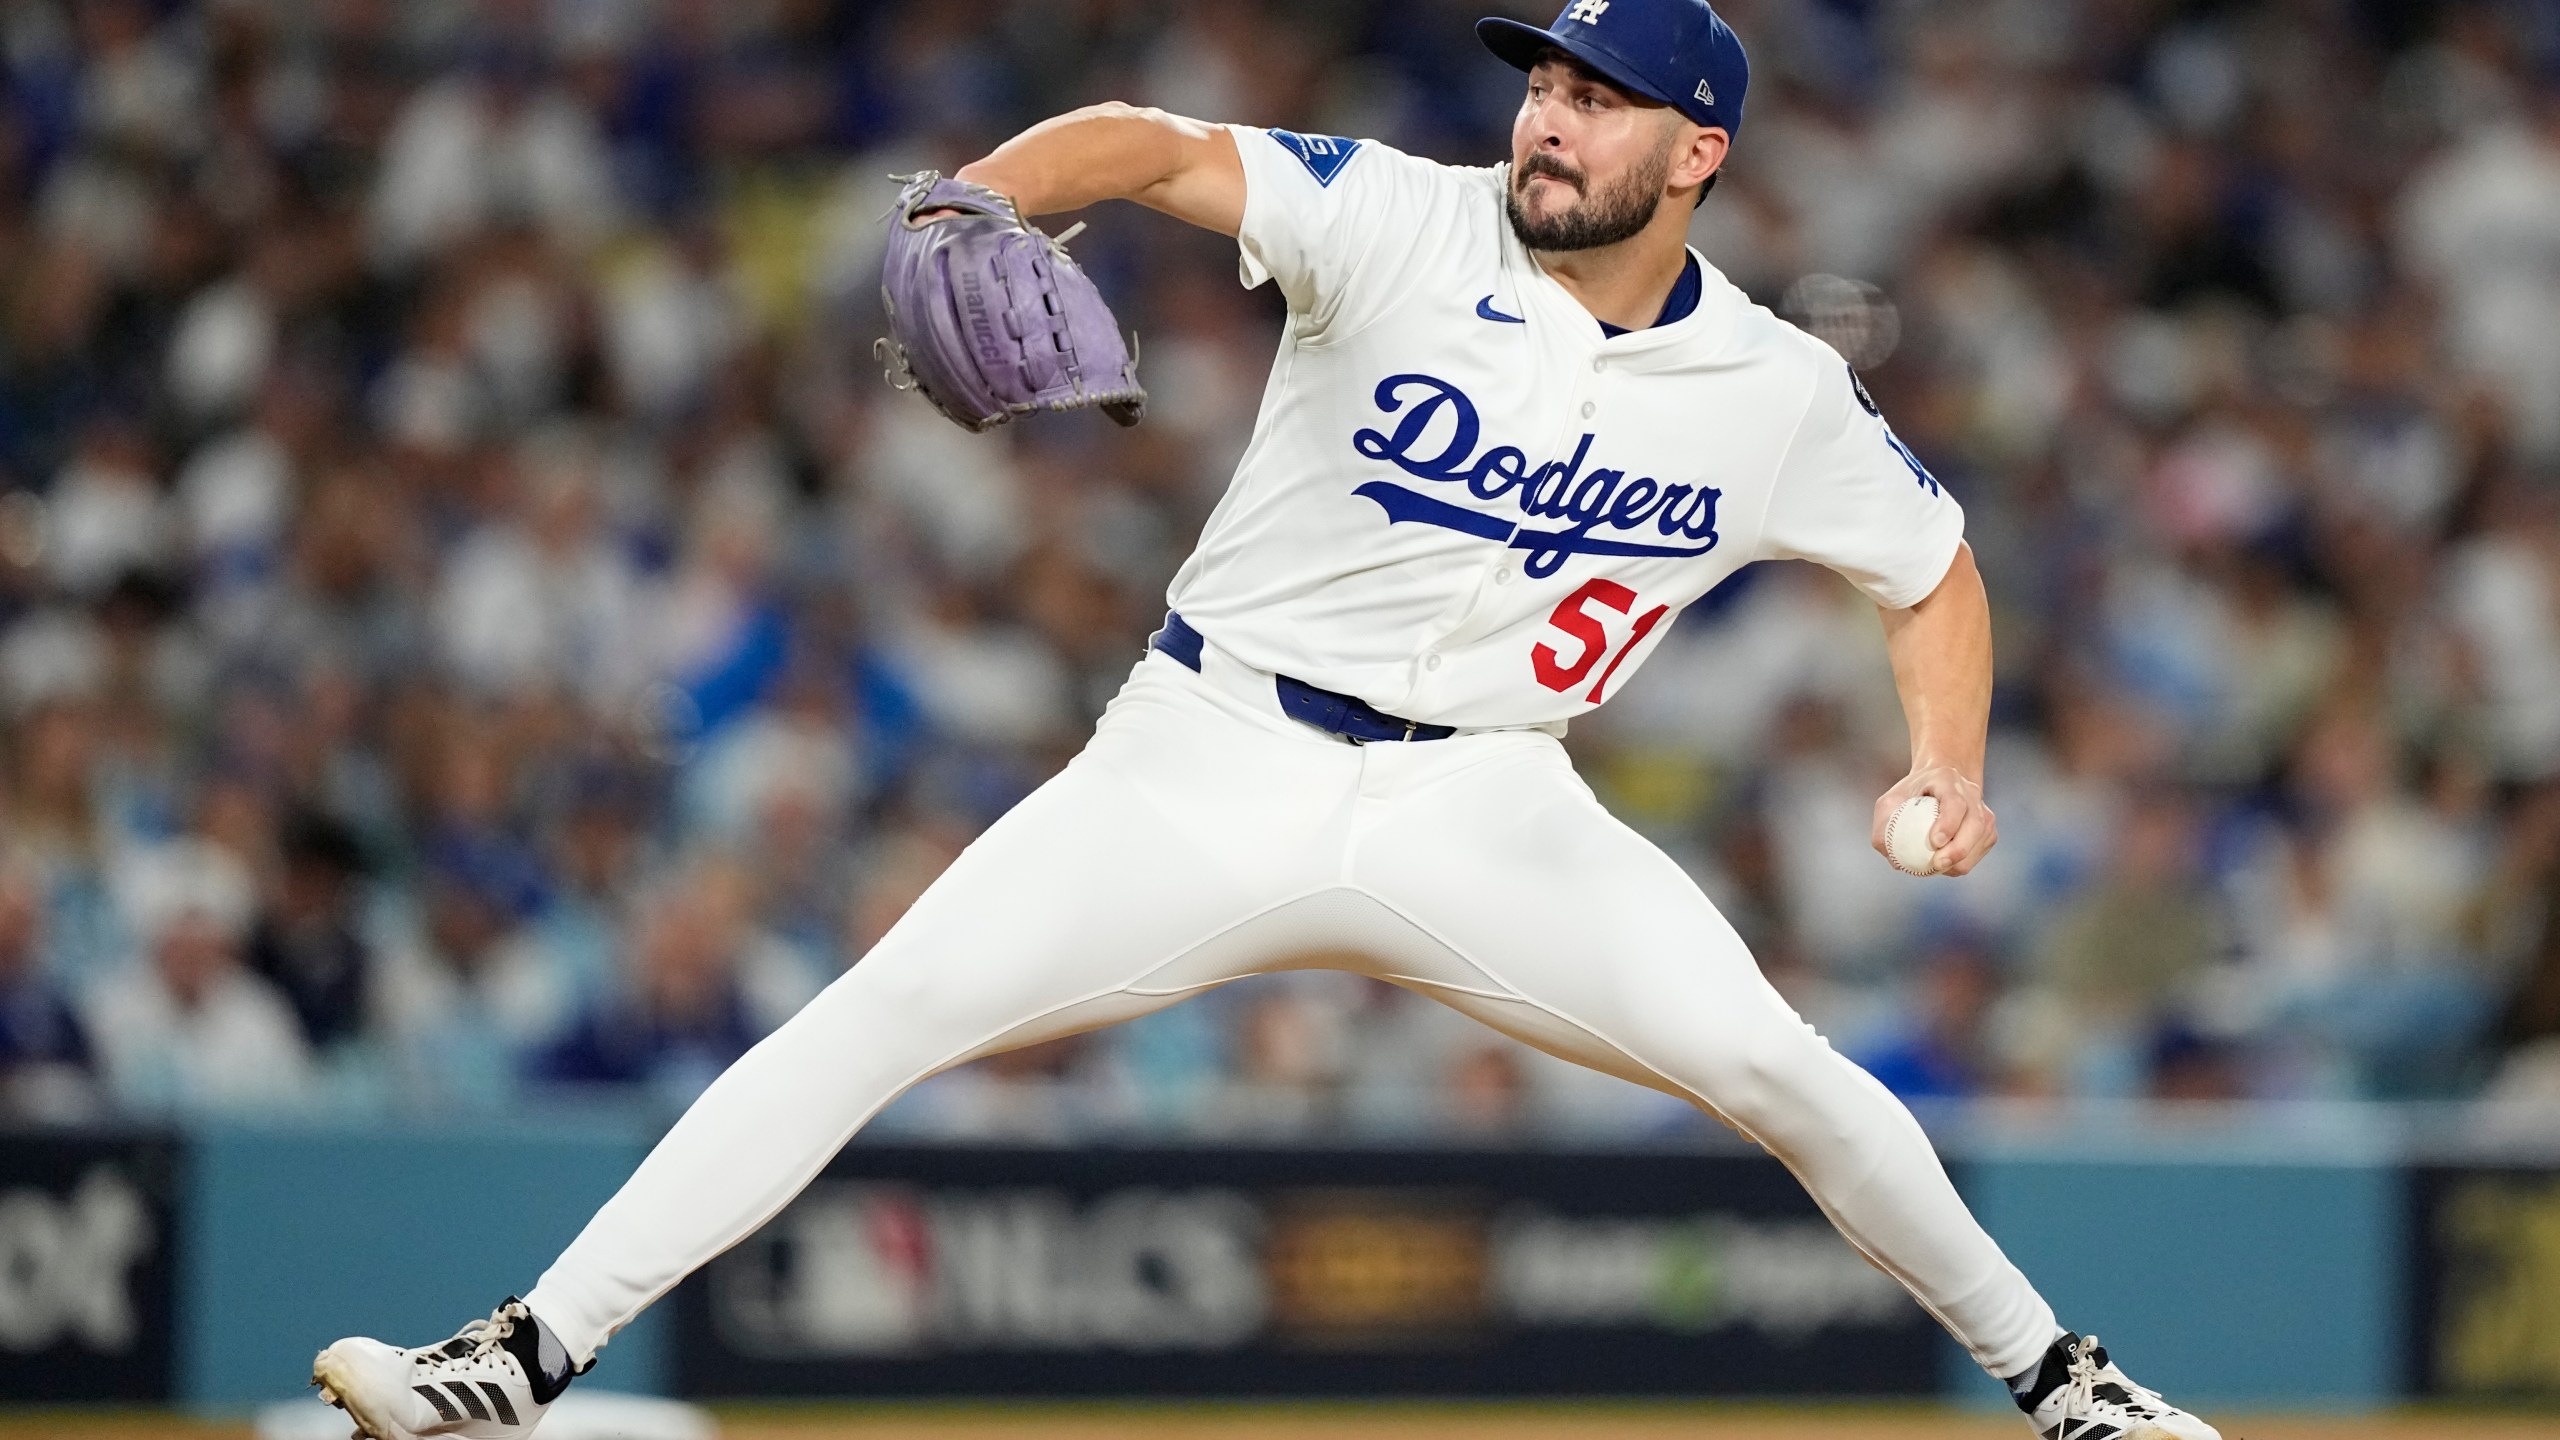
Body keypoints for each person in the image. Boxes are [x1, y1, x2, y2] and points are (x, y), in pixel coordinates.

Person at [311, 5, 2218, 1439]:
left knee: (1786, 1070)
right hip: (1209, 757)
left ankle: (2070, 1389)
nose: (1549, 118)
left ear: (1698, 150)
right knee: (884, 1007)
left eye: (1600, 97)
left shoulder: (1776, 387)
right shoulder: (1396, 215)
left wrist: (1946, 761)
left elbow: (1933, 570)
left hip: (1493, 806)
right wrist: (988, 195)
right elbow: (1150, 146)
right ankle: (521, 1356)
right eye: (1543, 84)